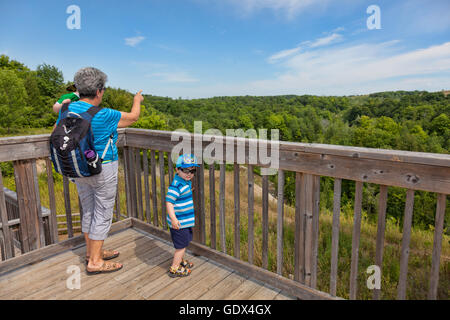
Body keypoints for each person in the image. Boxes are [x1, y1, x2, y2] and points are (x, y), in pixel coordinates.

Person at [55, 67, 143, 274]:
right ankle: (95, 261)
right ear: (99, 91)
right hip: (103, 168)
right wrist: (137, 100)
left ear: (78, 88)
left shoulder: (66, 109)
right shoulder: (105, 114)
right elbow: (133, 118)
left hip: (77, 169)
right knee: (102, 214)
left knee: (89, 210)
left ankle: (91, 253)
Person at [165, 154, 200, 277]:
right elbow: (169, 202)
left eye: (192, 170)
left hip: (185, 221)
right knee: (181, 246)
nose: (189, 174)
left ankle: (180, 260)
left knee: (184, 243)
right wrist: (174, 219)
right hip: (179, 222)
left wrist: (188, 192)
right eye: (185, 170)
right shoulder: (176, 186)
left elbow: (181, 194)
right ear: (177, 170)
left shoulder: (185, 182)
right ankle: (175, 267)